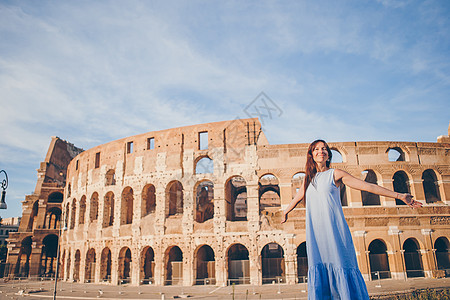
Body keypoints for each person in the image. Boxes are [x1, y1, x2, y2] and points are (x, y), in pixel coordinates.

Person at [281, 139, 422, 300]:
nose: (321, 151)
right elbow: (298, 197)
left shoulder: (336, 174)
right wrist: (285, 211)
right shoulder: (308, 179)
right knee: (320, 266)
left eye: (324, 149)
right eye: (317, 149)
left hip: (334, 229)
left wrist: (400, 196)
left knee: (341, 264)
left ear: (328, 154)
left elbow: (367, 186)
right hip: (316, 234)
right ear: (311, 155)